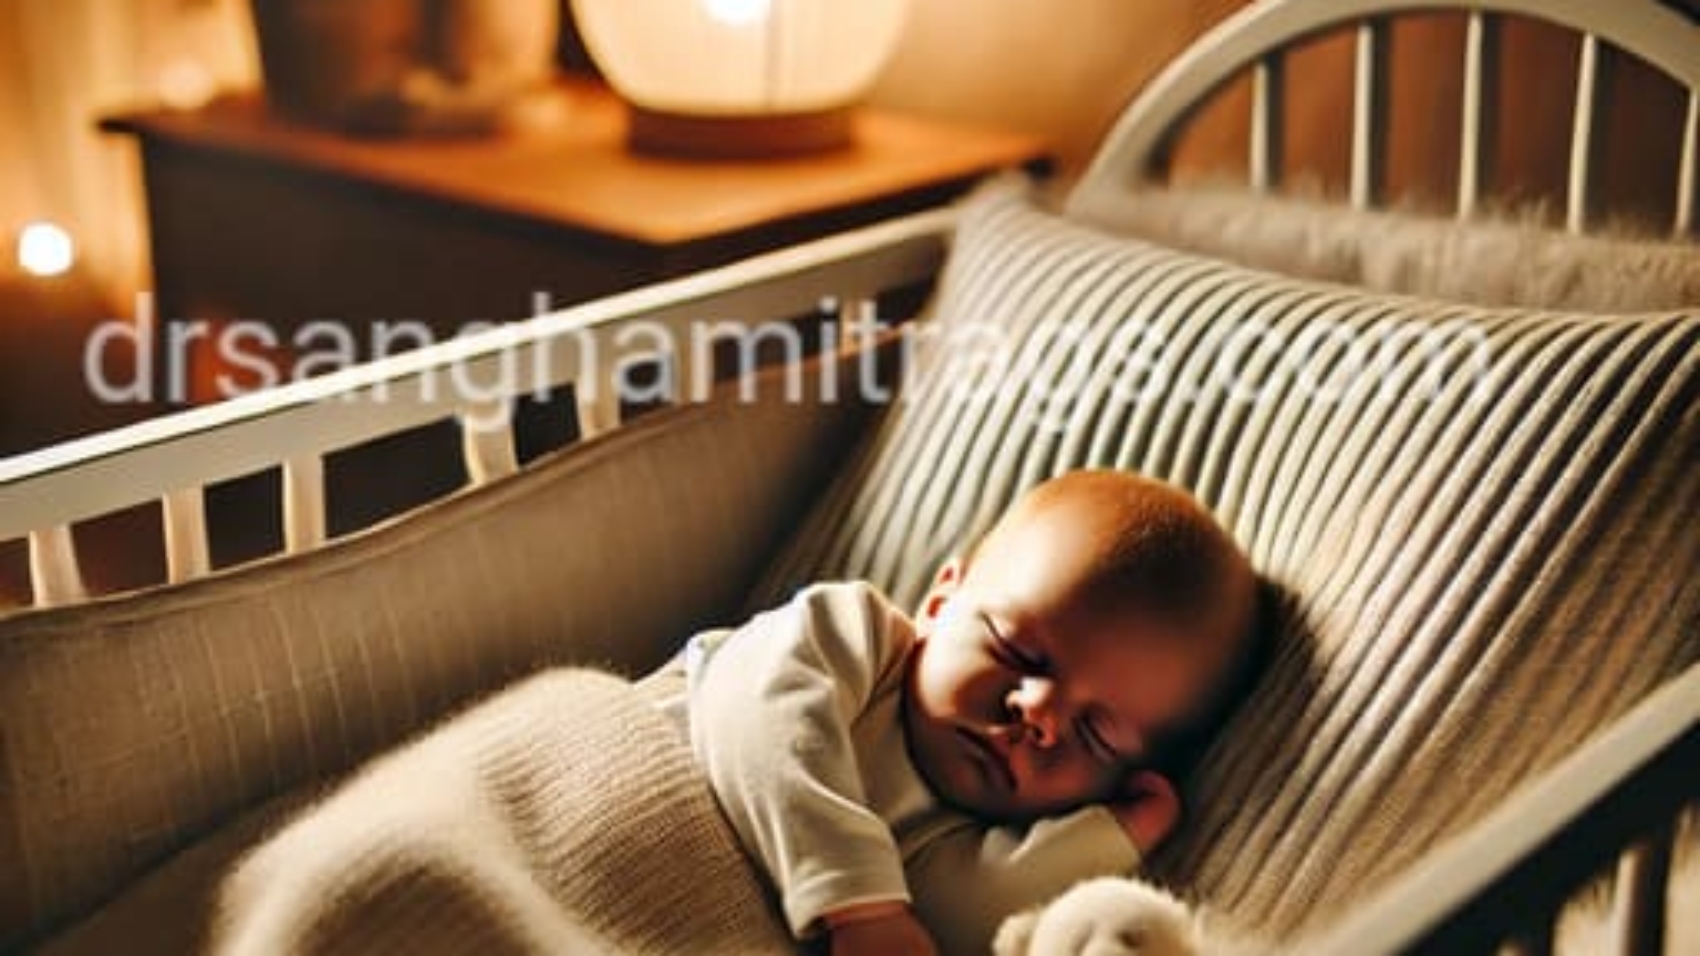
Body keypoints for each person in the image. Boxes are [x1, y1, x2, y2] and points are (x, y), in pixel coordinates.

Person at [649, 470, 1261, 956]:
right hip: (627, 781)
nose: (1038, 711)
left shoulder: (963, 838)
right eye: (1016, 651)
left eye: (1094, 734)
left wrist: (1110, 839)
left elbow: (959, 922)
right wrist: (862, 907)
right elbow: (757, 722)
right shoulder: (855, 641)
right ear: (941, 602)